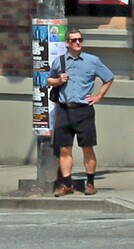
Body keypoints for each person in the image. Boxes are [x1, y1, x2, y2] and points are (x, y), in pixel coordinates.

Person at [45, 30, 114, 196]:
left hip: (84, 110)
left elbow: (109, 77)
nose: (77, 42)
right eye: (74, 40)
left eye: (80, 40)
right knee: (64, 149)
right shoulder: (60, 61)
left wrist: (98, 96)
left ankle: (90, 183)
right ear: (67, 43)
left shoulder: (92, 61)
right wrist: (58, 81)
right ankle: (67, 184)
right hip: (64, 108)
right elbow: (49, 79)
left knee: (87, 148)